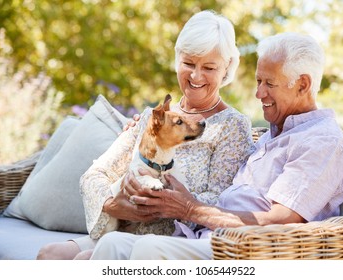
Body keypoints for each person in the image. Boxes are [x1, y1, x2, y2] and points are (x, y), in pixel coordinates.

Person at [89, 32, 343, 260]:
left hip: (245, 251)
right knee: (112, 244)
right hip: (205, 237)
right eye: (259, 81)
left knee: (149, 250)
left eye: (269, 83)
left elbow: (278, 219)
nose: (259, 93)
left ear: (303, 85)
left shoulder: (321, 140)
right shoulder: (276, 134)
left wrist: (190, 208)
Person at [36, 10, 255, 260]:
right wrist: (114, 204)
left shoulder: (232, 126)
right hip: (125, 226)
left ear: (226, 67)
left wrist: (165, 201)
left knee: (83, 261)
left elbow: (220, 200)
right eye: (188, 63)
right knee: (49, 255)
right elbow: (94, 175)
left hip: (172, 240)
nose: (196, 76)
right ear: (177, 59)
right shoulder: (153, 118)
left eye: (209, 67)